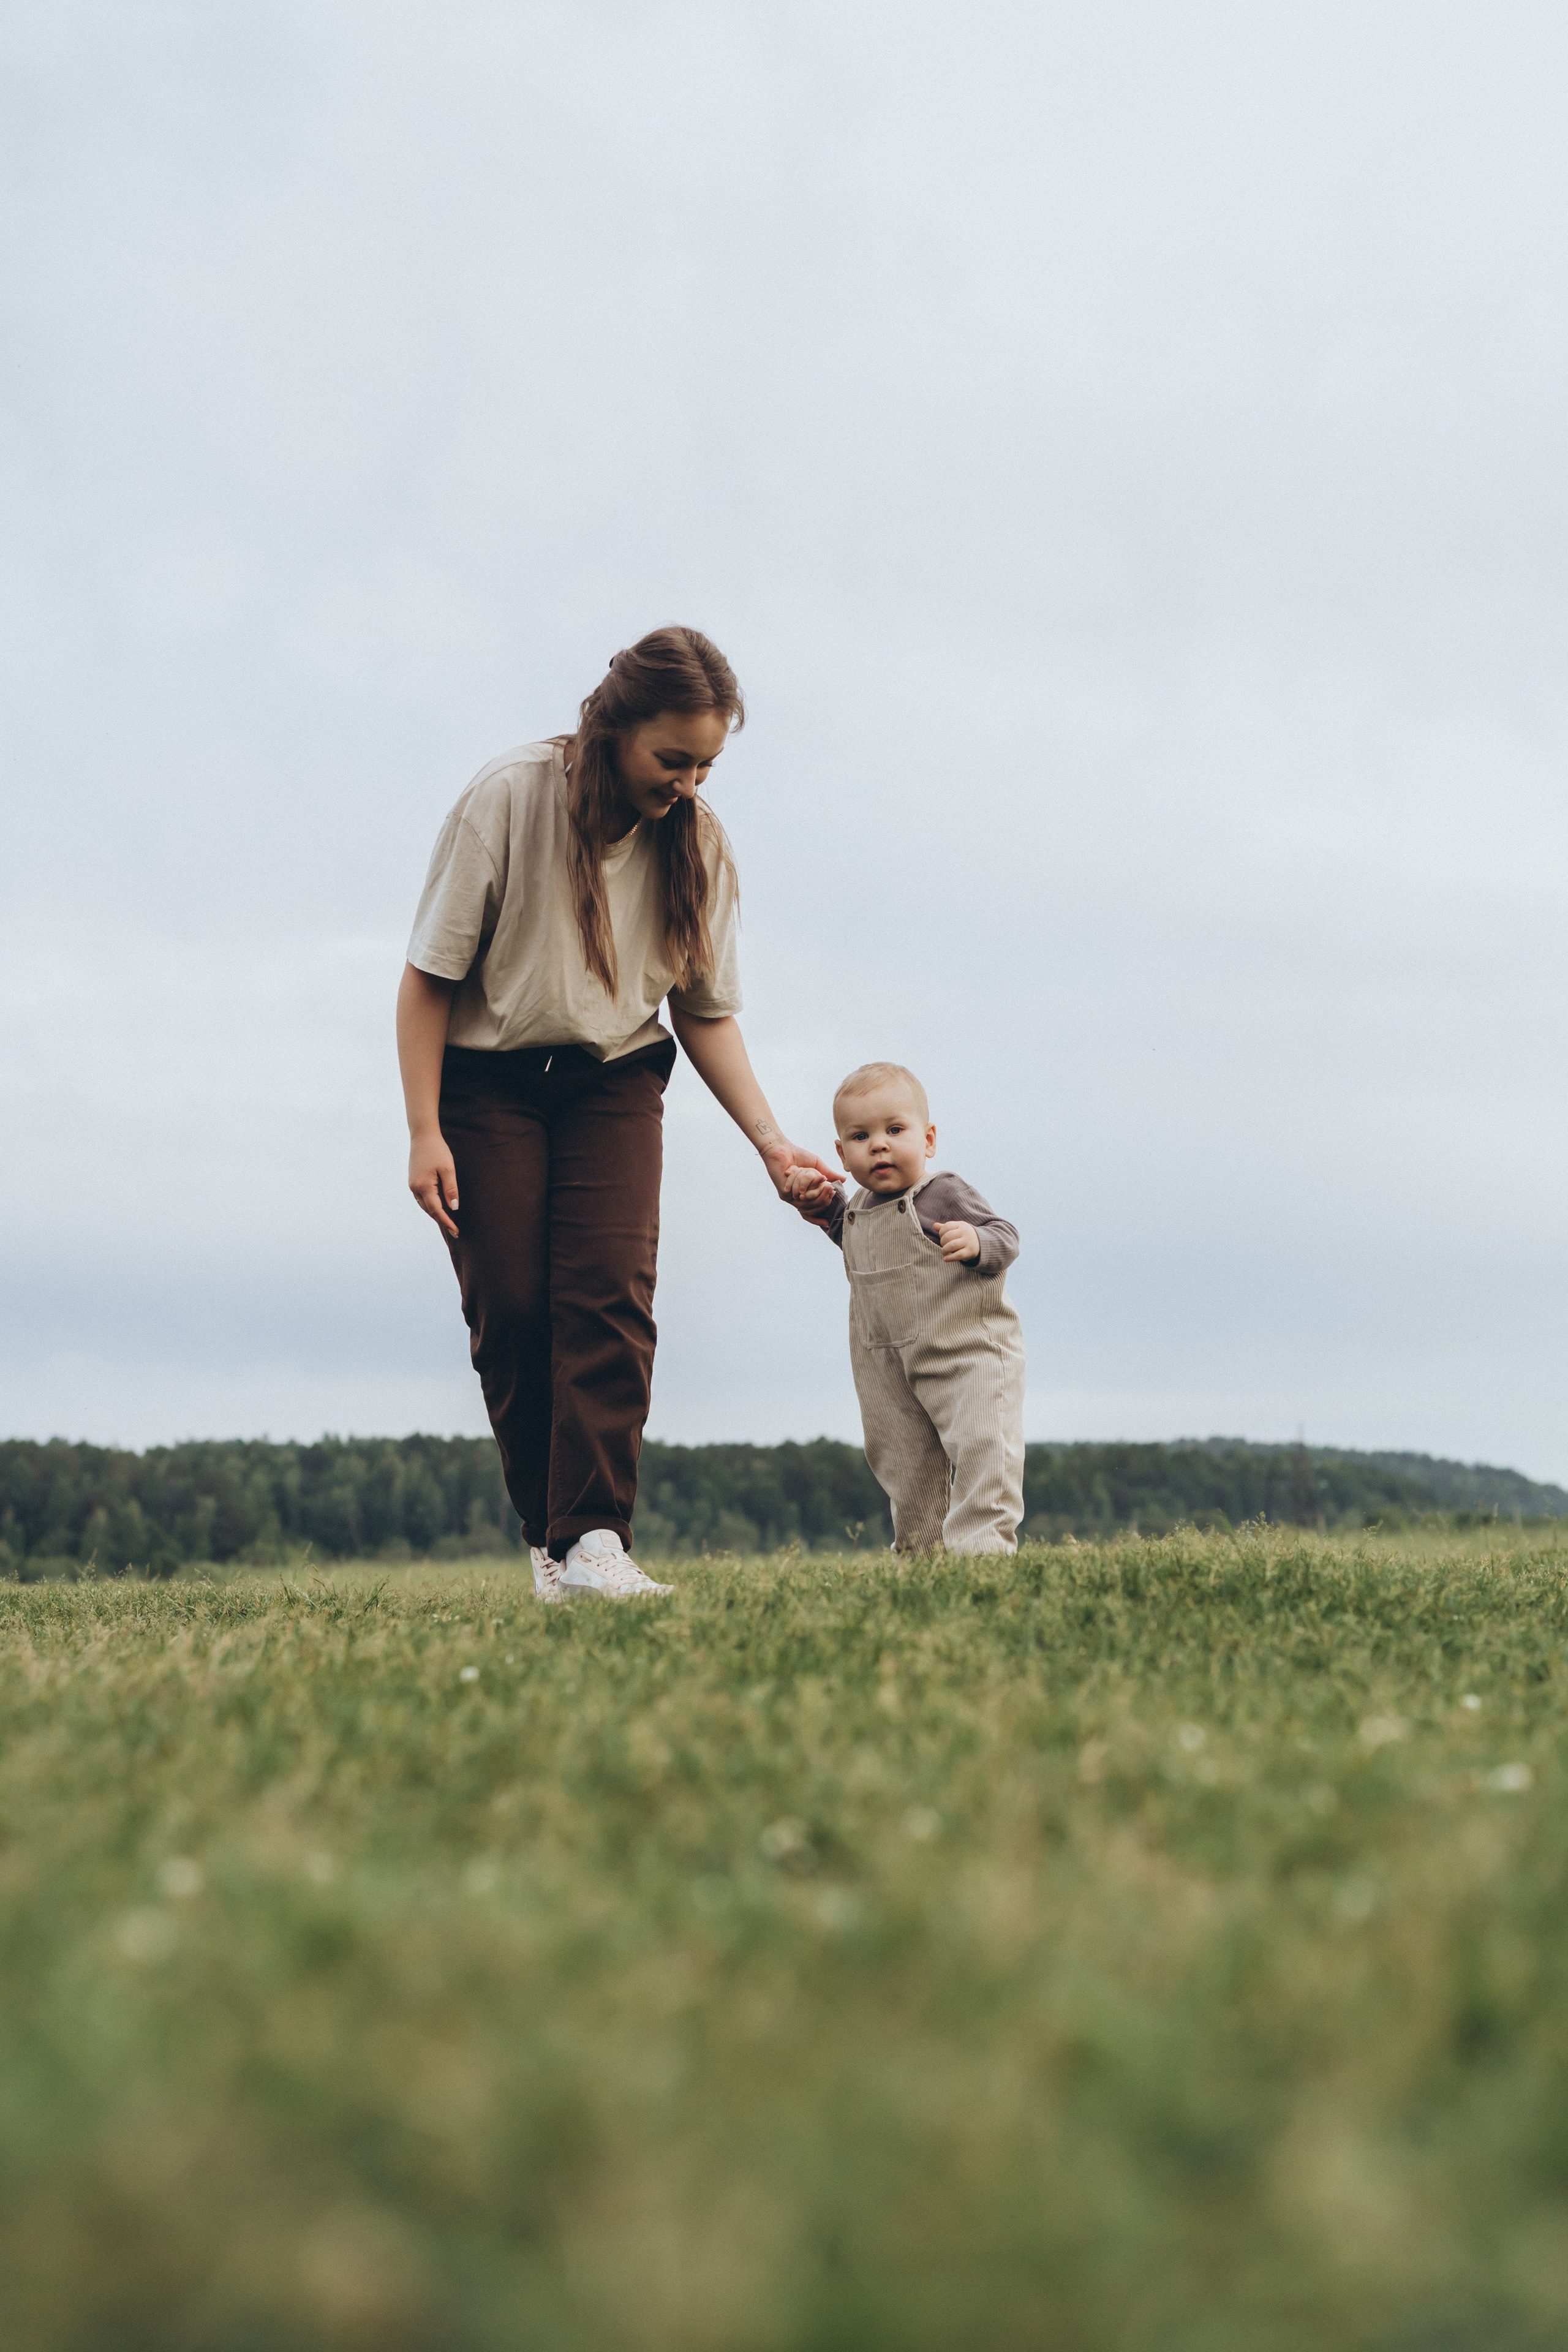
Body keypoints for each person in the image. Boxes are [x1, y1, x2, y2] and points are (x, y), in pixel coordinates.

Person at [396, 627, 837, 1600]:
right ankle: (549, 1548)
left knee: (608, 1297)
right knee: (512, 1310)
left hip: (614, 1080)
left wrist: (773, 1146)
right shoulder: (508, 797)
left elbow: (704, 1012)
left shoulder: (699, 844)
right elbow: (428, 979)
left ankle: (596, 1538)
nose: (689, 783)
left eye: (707, 765)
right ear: (614, 728)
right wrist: (424, 1129)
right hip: (487, 1078)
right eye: (672, 759)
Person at [784, 1061, 1026, 1555]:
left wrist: (976, 1240)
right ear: (841, 1153)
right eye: (861, 1136)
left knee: (983, 1447)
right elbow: (855, 1240)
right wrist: (824, 1206)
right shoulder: (858, 1208)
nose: (879, 1144)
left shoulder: (944, 1193)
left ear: (929, 1139)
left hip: (967, 1352)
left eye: (895, 1130)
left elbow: (1007, 1238)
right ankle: (921, 1559)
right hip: (887, 1366)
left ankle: (983, 1553)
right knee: (903, 1462)